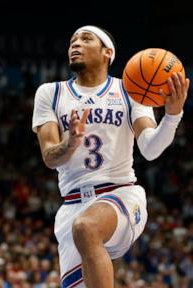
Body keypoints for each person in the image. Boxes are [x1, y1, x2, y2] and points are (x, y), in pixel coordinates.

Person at [32, 25, 189, 288]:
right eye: (72, 40)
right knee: (83, 228)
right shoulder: (50, 93)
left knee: (87, 227)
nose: (75, 44)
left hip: (121, 195)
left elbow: (150, 149)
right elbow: (49, 157)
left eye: (85, 39)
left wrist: (172, 115)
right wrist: (70, 143)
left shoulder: (130, 91)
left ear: (107, 52)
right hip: (72, 205)